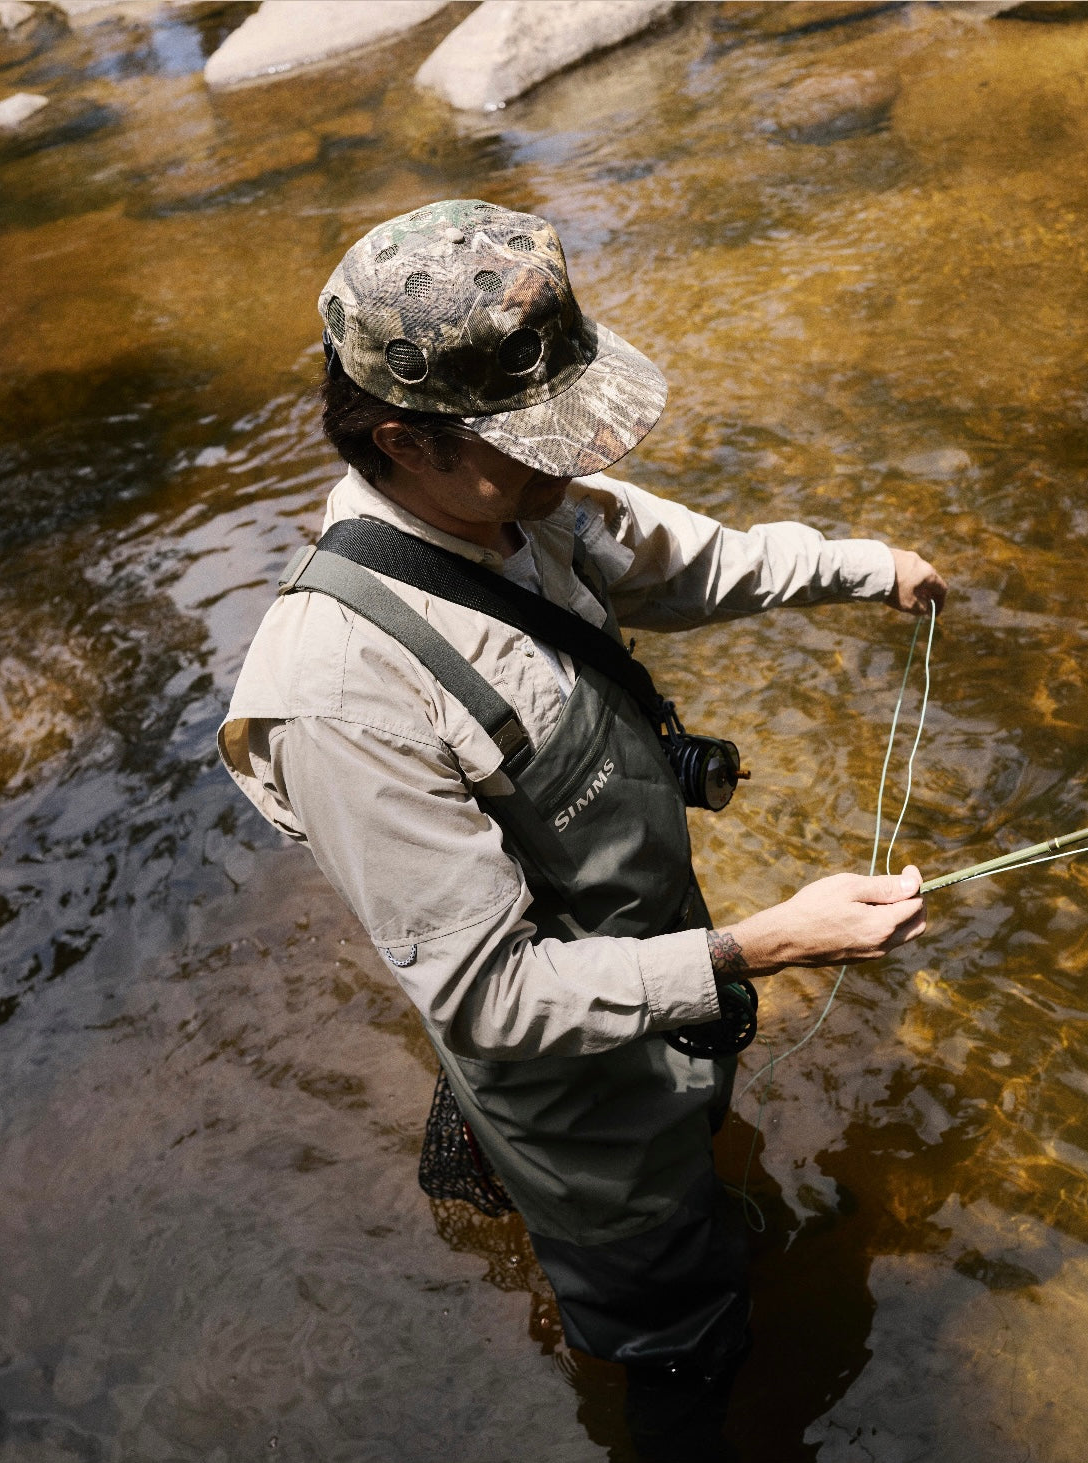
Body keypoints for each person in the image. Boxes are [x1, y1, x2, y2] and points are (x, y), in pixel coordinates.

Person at [218, 198, 946, 1462]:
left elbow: (682, 562)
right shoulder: (337, 693)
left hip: (648, 978)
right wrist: (763, 944)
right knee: (685, 1333)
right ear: (401, 439)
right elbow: (489, 994)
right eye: (534, 442)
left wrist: (859, 561)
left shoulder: (517, 496)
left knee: (710, 1178)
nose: (573, 465)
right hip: (570, 1081)